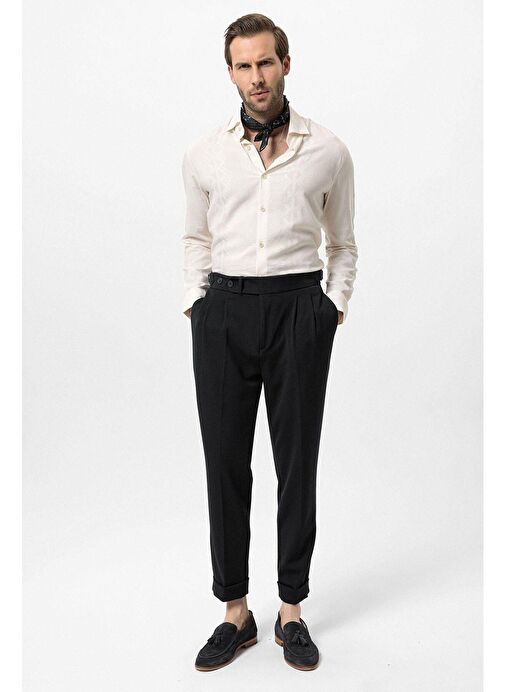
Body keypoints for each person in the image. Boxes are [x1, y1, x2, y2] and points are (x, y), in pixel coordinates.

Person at [181, 13, 358, 672]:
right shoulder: (204, 154)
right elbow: (195, 236)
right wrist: (197, 303)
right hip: (223, 312)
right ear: (230, 72)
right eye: (243, 65)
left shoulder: (328, 150)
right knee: (224, 463)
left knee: (296, 463)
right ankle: (236, 612)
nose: (256, 76)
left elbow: (343, 242)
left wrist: (331, 308)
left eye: (265, 62)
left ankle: (291, 611)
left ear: (286, 63)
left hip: (298, 312)